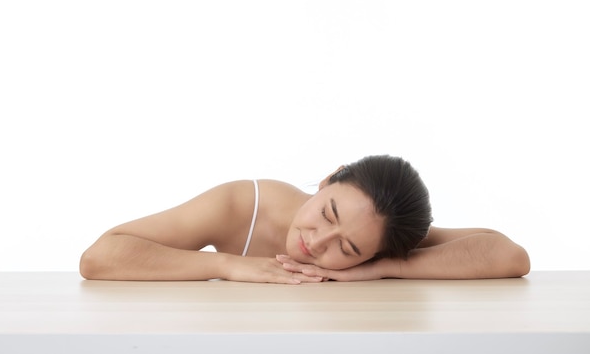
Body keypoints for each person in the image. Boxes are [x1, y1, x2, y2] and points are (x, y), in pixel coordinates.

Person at [79, 155, 530, 283]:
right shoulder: (243, 204)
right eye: (327, 212)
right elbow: (101, 257)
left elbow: (509, 255)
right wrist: (227, 265)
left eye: (348, 249)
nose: (317, 242)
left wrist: (386, 267)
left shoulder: (380, 238)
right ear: (329, 180)